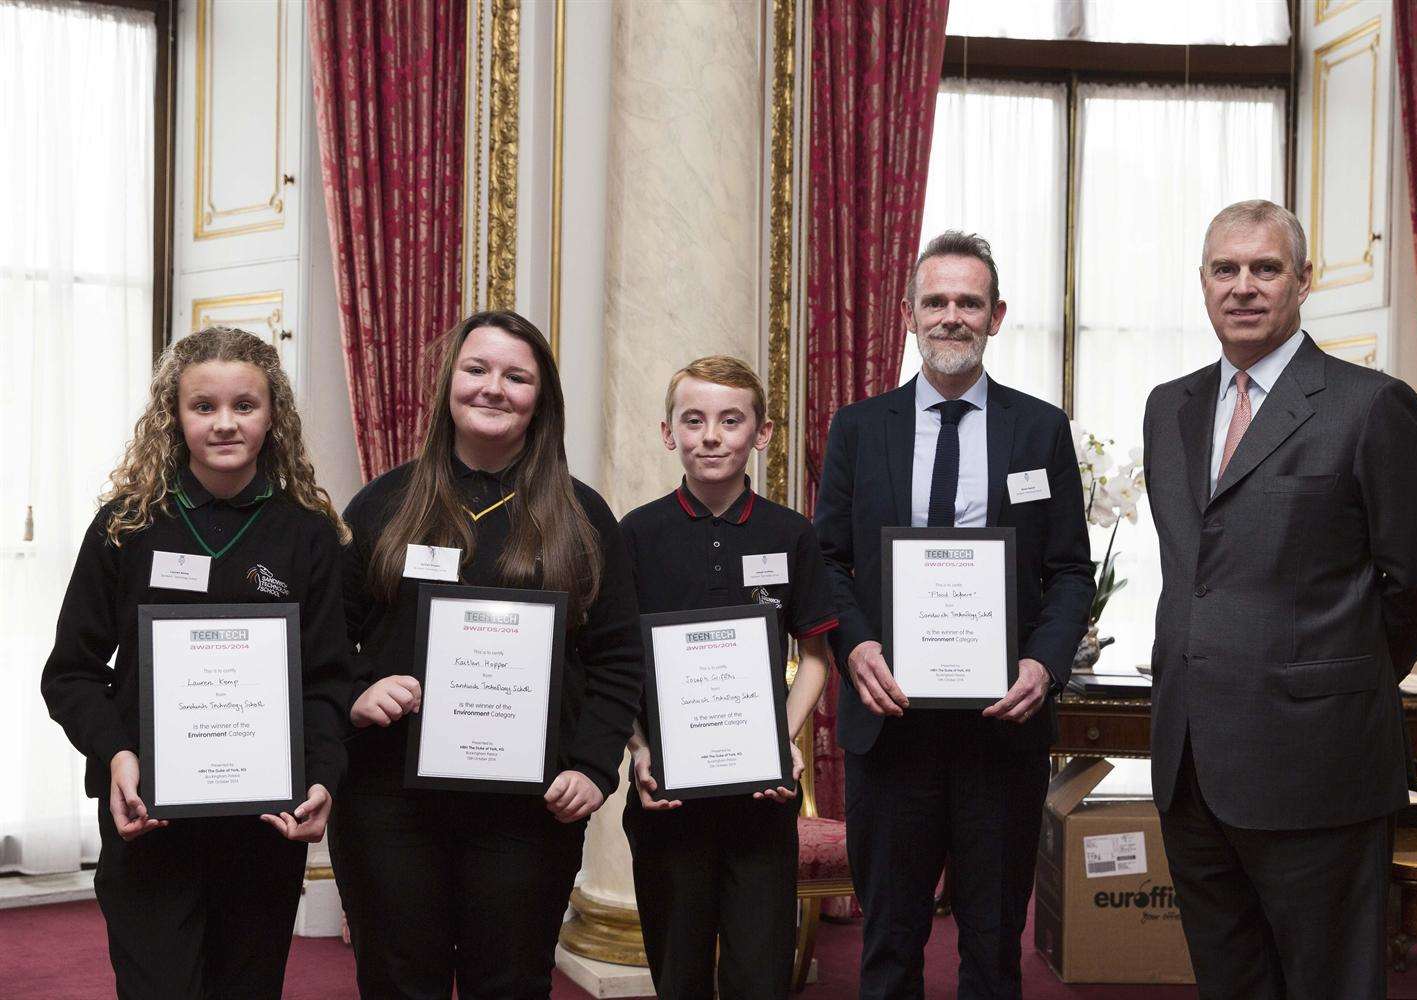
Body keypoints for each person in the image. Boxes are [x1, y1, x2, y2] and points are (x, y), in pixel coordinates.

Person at [1143, 199, 1417, 999]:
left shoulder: (1369, 405)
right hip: (1191, 766)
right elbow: (1197, 569)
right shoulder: (1168, 407)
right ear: (1203, 283)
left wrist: (1337, 676)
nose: (1243, 287)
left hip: (1319, 760)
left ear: (1304, 281)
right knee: (1229, 980)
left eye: (1265, 268)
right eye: (1226, 269)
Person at [813, 231, 1095, 998]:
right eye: (935, 301)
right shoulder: (858, 428)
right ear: (909, 315)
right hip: (892, 727)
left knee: (994, 948)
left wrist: (1044, 663)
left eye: (968, 302)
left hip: (999, 733)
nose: (951, 317)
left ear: (995, 316)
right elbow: (827, 562)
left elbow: (1071, 570)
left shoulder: (1040, 430)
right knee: (890, 946)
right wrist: (857, 646)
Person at [331, 309, 644, 999]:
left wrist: (595, 767)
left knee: (508, 983)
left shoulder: (584, 518)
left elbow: (620, 658)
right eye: (477, 370)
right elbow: (322, 640)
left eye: (516, 376)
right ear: (449, 383)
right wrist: (358, 689)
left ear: (541, 398)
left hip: (528, 811)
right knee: (397, 982)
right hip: (389, 802)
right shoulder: (382, 505)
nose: (493, 388)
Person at [40, 326, 352, 999]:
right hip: (149, 816)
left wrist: (323, 776)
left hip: (263, 828)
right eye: (202, 406)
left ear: (274, 418)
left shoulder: (308, 533)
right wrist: (119, 754)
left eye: (245, 405)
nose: (224, 423)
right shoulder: (127, 526)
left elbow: (329, 681)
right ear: (173, 417)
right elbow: (70, 672)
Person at [619, 356, 837, 999]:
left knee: (759, 977)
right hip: (669, 796)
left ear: (761, 434)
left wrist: (783, 743)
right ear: (669, 434)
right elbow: (617, 664)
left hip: (760, 802)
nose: (711, 435)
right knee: (678, 973)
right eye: (694, 420)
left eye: (730, 420)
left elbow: (817, 658)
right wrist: (640, 751)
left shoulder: (792, 534)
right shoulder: (635, 535)